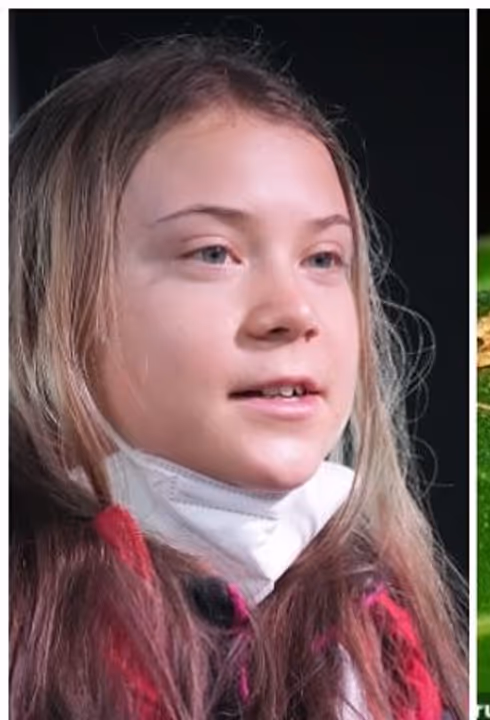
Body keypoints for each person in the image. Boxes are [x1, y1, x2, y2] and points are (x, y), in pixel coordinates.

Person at [10, 36, 466, 719]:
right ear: (51, 301)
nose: (292, 314)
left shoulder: (389, 631)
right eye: (214, 253)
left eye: (322, 257)